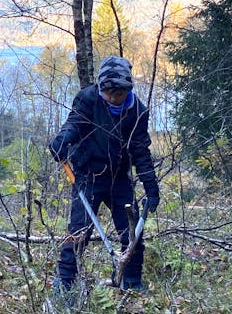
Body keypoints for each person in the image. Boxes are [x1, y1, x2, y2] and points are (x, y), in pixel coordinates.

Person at [48, 56, 161, 291]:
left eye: (116, 93)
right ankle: (65, 283)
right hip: (87, 174)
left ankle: (130, 282)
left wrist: (151, 186)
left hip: (118, 178)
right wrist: (62, 140)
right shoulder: (88, 99)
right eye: (106, 92)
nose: (111, 97)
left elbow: (140, 149)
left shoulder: (137, 110)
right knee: (79, 231)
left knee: (132, 233)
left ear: (126, 89)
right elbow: (74, 124)